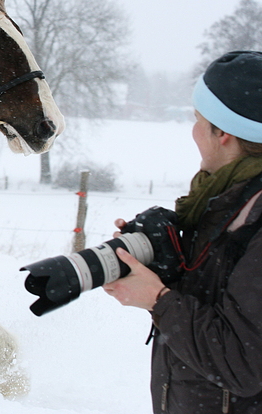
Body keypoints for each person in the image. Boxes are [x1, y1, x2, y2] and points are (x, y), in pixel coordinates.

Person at [104, 50, 262, 413]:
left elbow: (241, 360)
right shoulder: (222, 202)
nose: (192, 131)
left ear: (222, 133)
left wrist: (159, 300)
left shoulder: (251, 216)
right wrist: (160, 262)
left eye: (197, 119)